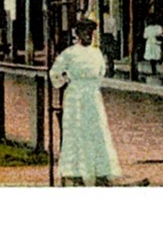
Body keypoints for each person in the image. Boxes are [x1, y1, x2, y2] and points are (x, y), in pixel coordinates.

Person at [49, 18, 122, 186]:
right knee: (77, 131)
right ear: (77, 34)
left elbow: (101, 72)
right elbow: (55, 73)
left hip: (92, 96)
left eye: (90, 33)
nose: (88, 36)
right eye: (84, 32)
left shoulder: (96, 53)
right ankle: (74, 171)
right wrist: (66, 79)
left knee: (96, 130)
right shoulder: (69, 53)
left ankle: (101, 170)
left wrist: (92, 85)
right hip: (75, 98)